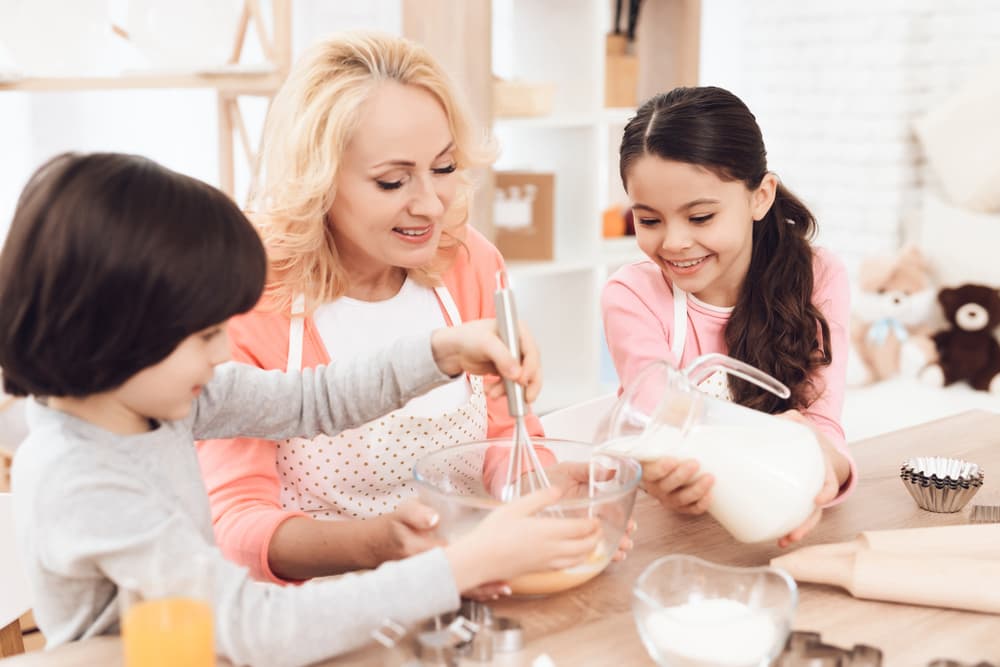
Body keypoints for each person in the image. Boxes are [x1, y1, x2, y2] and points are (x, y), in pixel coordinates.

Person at [0, 152, 602, 665]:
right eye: (207, 334)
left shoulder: (153, 401)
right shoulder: (85, 481)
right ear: (114, 331)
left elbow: (311, 399)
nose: (225, 349)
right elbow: (255, 626)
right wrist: (466, 563)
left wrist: (443, 351)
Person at [195, 31, 555, 584]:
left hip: (465, 586)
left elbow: (511, 434)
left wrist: (543, 506)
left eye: (443, 168)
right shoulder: (249, 294)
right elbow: (237, 525)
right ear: (318, 180)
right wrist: (380, 547)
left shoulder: (470, 262)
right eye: (392, 181)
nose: (432, 205)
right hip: (315, 616)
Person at [601, 86, 856, 547]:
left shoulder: (818, 277)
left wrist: (820, 466)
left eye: (699, 218)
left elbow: (825, 426)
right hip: (667, 538)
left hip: (772, 526)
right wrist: (662, 476)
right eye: (650, 221)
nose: (674, 242)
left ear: (760, 196)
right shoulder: (633, 295)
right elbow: (661, 425)